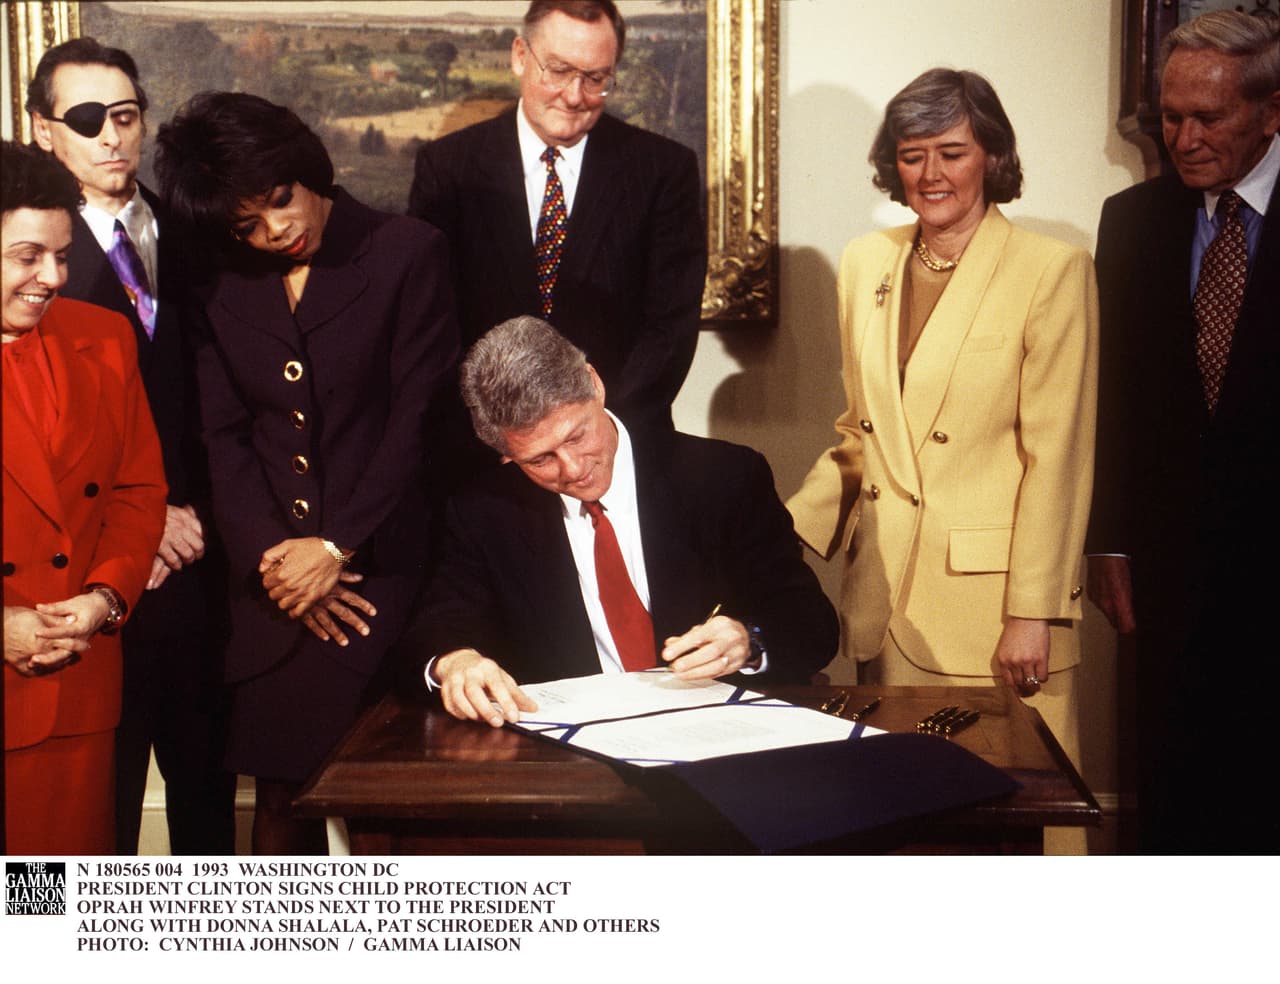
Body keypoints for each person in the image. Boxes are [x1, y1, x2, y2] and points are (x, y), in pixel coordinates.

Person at [154, 92, 459, 853]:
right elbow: (223, 435)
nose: (275, 229)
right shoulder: (220, 281)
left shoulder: (406, 250)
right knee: (280, 799)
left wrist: (333, 548)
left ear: (303, 166)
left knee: (385, 804)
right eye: (246, 224)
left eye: (280, 199)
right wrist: (279, 563)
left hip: (380, 571)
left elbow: (417, 422)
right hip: (273, 585)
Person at [787, 69, 1098, 765]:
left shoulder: (1052, 269)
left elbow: (1060, 458)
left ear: (992, 156)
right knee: (904, 813)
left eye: (952, 153)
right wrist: (779, 533)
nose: (931, 174)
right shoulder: (865, 262)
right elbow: (863, 433)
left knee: (1013, 811)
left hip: (995, 616)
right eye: (912, 154)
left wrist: (1034, 612)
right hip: (882, 603)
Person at [416, 316, 836, 726]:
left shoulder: (724, 477)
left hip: (721, 732)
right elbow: (441, 622)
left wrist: (749, 639)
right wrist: (455, 661)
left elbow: (811, 622)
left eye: (577, 436)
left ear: (594, 384)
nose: (572, 469)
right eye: (540, 459)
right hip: (575, 748)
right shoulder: (484, 510)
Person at [26, 36, 236, 855]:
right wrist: (142, 529)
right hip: (89, 576)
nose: (112, 136)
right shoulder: (28, 264)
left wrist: (199, 513)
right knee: (94, 816)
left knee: (208, 802)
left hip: (202, 559)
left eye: (125, 115)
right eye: (86, 120)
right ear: (44, 130)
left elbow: (237, 395)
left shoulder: (197, 232)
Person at [1087, 10, 1280, 853]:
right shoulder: (1132, 220)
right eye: (1171, 116)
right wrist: (1108, 540)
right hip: (1168, 569)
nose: (1185, 138)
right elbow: (1113, 395)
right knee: (1173, 796)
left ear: (1271, 112)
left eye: (1209, 117)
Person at [408, 0, 706, 473]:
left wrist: (592, 434)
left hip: (612, 449)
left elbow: (669, 330)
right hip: (484, 458)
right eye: (560, 71)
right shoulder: (448, 168)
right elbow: (430, 325)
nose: (574, 95)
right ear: (520, 56)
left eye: (596, 78)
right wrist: (504, 437)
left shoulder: (663, 171)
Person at [2, 140, 167, 854]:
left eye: (62, 256)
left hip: (76, 684)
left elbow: (137, 490)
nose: (51, 278)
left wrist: (105, 599)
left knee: (47, 909)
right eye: (28, 256)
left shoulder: (105, 337)